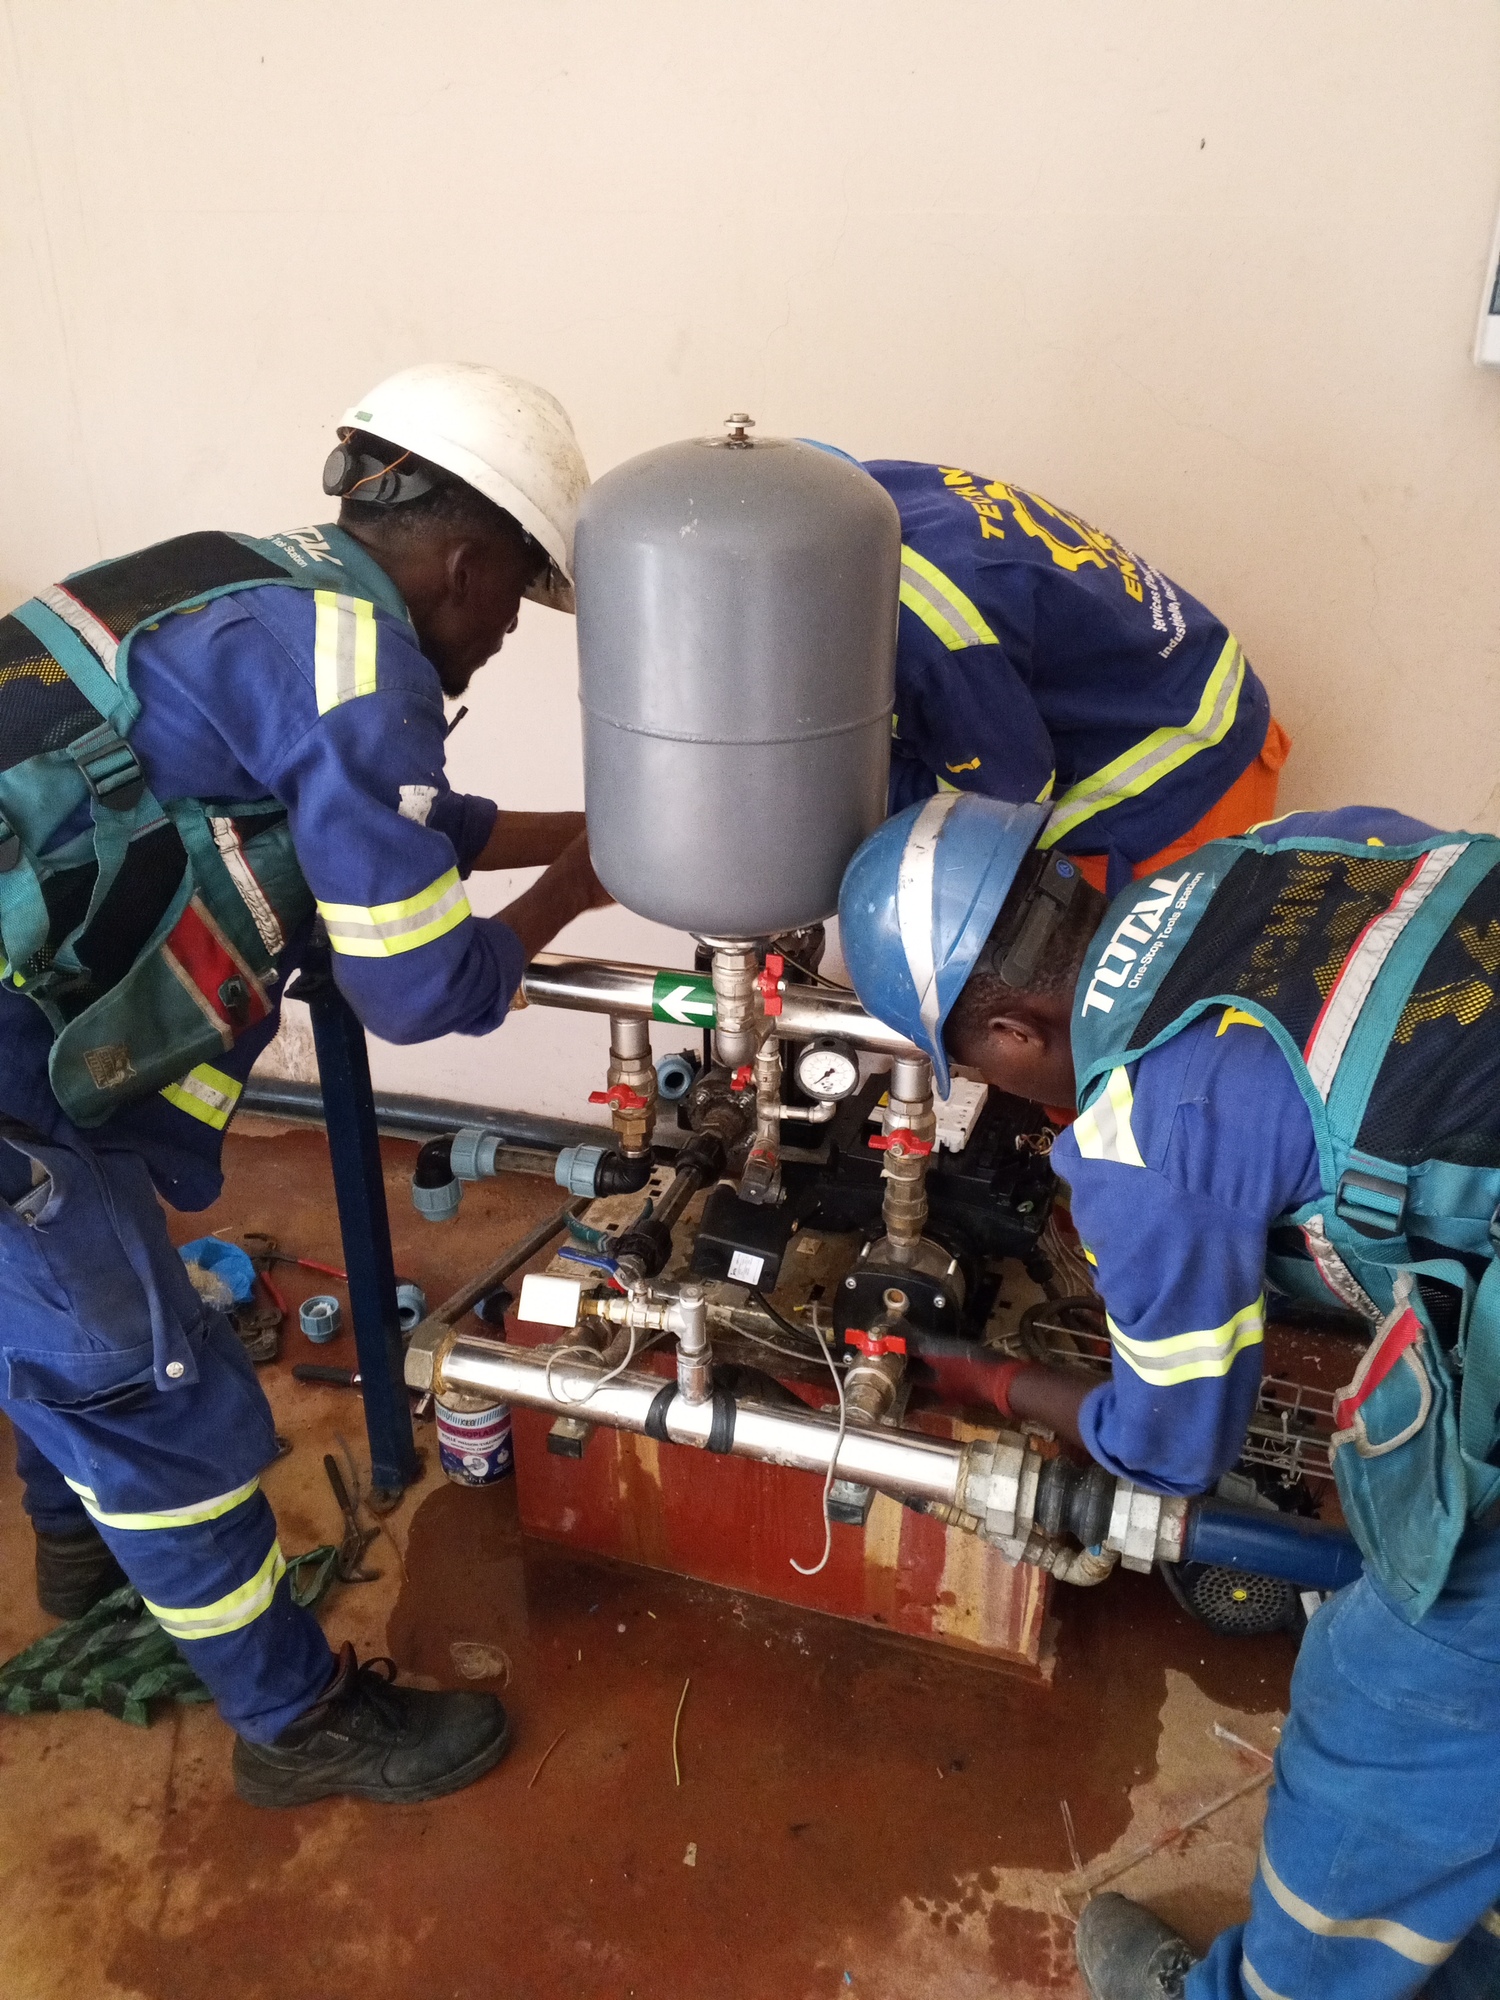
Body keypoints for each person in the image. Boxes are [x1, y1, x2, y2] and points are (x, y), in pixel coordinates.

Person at [0, 362, 610, 1807]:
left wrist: (582, 830)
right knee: (145, 1386)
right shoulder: (369, 670)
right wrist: (573, 895)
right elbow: (418, 990)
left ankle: (78, 1547)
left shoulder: (243, 583)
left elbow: (378, 814)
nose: (502, 633)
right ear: (468, 563)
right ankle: (296, 1722)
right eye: (514, 603)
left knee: (59, 1322)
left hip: (35, 1014)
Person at [838, 789, 1500, 2000]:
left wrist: (995, 1378)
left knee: (1384, 1711)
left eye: (974, 1066)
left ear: (1012, 1030)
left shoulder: (1149, 1129)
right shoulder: (1285, 847)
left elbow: (1171, 1447)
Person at [815, 448, 1290, 897]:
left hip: (1182, 776)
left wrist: (842, 786)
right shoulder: (835, 492)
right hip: (1177, 687)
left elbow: (1004, 804)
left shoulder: (923, 635)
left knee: (1083, 955)